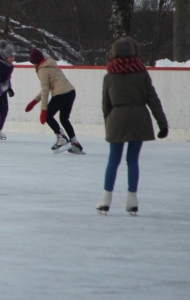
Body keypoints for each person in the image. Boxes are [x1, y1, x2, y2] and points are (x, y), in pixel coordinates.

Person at [96, 37, 169, 215]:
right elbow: (153, 100)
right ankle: (132, 201)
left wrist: (108, 125)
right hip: (139, 118)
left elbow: (106, 105)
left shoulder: (109, 76)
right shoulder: (141, 73)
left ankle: (105, 200)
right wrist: (162, 123)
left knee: (113, 160)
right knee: (132, 160)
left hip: (117, 119)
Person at [25, 47, 83, 153]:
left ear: (36, 62)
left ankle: (61, 137)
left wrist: (43, 110)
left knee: (48, 116)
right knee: (64, 119)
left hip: (61, 94)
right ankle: (75, 143)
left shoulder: (42, 69)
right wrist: (34, 101)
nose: (33, 65)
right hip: (70, 92)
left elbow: (45, 90)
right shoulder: (51, 64)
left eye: (33, 63)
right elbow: (46, 89)